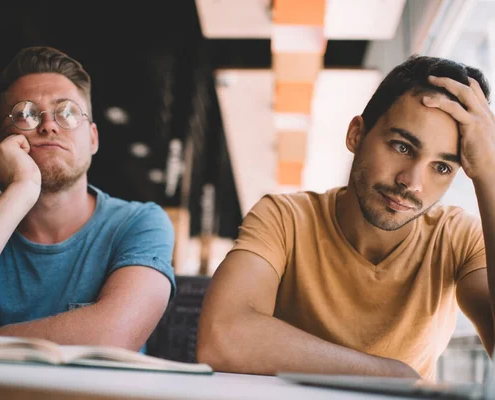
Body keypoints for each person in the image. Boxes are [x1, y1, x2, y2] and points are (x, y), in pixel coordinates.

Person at [197, 55, 495, 381]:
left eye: (441, 167)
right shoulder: (285, 219)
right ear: (356, 134)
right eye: (402, 147)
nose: (412, 183)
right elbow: (222, 336)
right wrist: (388, 373)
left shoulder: (458, 238)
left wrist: (489, 174)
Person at [0, 46, 176, 352]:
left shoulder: (139, 222)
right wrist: (22, 190)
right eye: (25, 114)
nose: (48, 125)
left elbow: (115, 335)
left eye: (67, 112)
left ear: (93, 138)